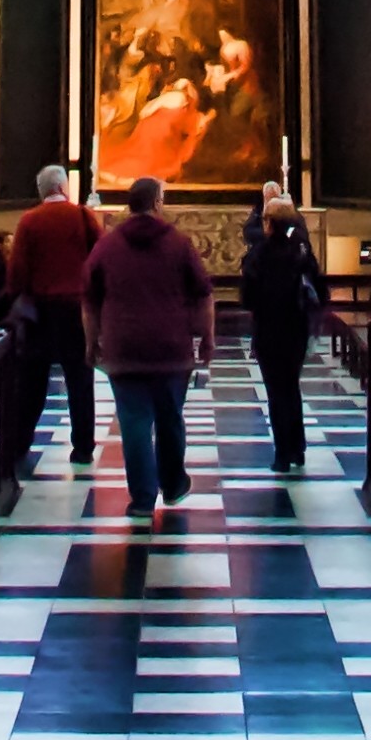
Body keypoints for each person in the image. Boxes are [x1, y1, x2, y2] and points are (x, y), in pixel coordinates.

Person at [83, 176, 215, 513]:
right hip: (171, 349)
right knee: (170, 417)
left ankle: (142, 498)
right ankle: (172, 485)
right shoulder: (179, 244)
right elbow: (203, 295)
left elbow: (90, 299)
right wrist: (207, 339)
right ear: (156, 203)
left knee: (134, 422)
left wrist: (91, 342)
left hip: (123, 348)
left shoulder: (107, 246)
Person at [1, 162, 106, 475]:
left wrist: (14, 297)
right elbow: (101, 256)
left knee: (33, 381)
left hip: (41, 311)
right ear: (63, 187)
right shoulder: (82, 216)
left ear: (42, 190)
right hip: (76, 309)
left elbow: (17, 269)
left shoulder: (30, 220)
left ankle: (20, 444)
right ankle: (83, 448)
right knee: (80, 378)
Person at [237, 183, 323, 473]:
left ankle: (282, 454)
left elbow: (247, 297)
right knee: (291, 387)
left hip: (269, 330)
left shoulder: (259, 255)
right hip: (296, 328)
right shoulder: (302, 252)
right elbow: (321, 291)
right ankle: (297, 448)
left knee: (276, 391)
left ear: (270, 223)